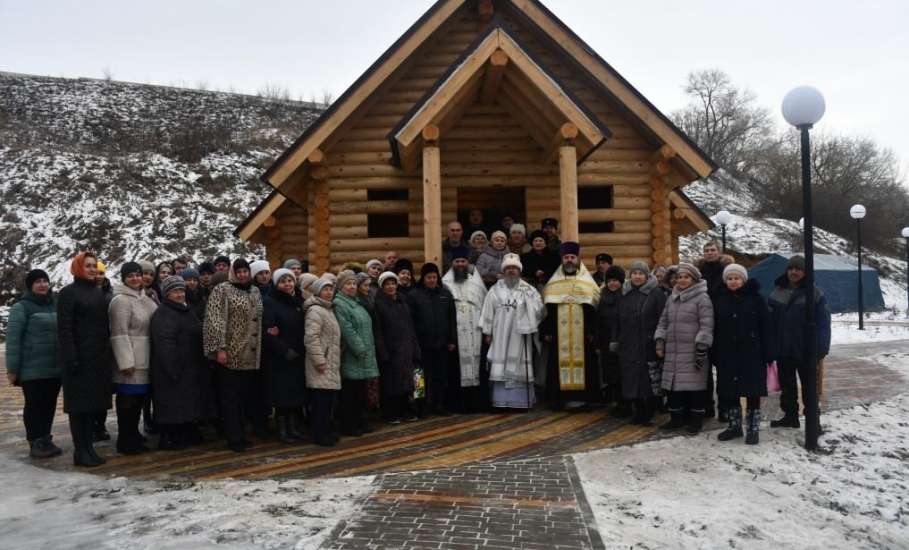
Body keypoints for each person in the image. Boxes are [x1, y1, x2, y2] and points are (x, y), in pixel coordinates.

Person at [58, 252, 112, 467]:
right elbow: (64, 328)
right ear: (78, 268)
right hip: (78, 358)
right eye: (87, 266)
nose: (91, 269)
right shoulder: (68, 293)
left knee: (92, 406)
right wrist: (70, 356)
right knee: (79, 407)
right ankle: (80, 451)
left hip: (97, 357)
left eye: (93, 266)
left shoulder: (97, 292)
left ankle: (89, 448)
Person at [203, 258, 264, 452]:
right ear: (233, 272)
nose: (243, 274)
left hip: (250, 355)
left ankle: (242, 433)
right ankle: (233, 437)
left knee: (243, 398)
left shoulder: (255, 291)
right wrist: (220, 348)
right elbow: (214, 320)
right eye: (239, 271)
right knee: (230, 398)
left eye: (245, 271)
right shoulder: (223, 290)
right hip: (230, 353)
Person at [767, 255, 831, 430]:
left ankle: (813, 422)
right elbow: (769, 322)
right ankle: (790, 416)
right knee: (787, 387)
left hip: (806, 350)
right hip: (783, 349)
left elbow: (824, 323)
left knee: (810, 388)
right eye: (791, 268)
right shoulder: (777, 292)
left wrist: (822, 348)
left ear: (805, 271)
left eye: (798, 269)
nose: (793, 272)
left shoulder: (815, 293)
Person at [713, 264, 774, 444]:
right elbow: (714, 328)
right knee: (730, 393)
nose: (733, 281)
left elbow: (766, 326)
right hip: (727, 354)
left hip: (752, 354)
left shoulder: (756, 299)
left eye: (736, 278)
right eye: (729, 278)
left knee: (752, 393)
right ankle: (734, 426)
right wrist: (714, 352)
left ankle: (753, 429)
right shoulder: (719, 299)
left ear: (743, 279)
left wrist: (769, 352)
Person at [6, 269, 62, 459]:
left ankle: (46, 437)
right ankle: (35, 441)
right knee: (34, 405)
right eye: (38, 281)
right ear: (30, 285)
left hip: (54, 367)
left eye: (45, 281)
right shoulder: (21, 307)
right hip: (32, 368)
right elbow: (13, 341)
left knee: (49, 404)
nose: (42, 285)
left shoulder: (55, 304)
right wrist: (12, 369)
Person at [655, 263, 715, 434]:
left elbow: (706, 325)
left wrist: (701, 347)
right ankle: (676, 419)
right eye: (680, 277)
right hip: (673, 351)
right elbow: (663, 322)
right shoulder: (672, 297)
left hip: (693, 351)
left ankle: (695, 421)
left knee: (693, 388)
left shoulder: (702, 298)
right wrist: (660, 341)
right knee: (674, 388)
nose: (682, 280)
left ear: (694, 279)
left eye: (686, 277)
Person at [480, 254, 545, 409]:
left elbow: (540, 311)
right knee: (500, 365)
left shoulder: (529, 290)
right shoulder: (495, 289)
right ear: (503, 270)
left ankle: (521, 402)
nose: (511, 271)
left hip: (520, 334)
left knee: (520, 366)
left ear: (519, 270)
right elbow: (488, 311)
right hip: (500, 334)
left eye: (514, 268)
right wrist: (488, 332)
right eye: (508, 268)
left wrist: (528, 306)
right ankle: (501, 402)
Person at [540, 242, 601, 409]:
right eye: (566, 257)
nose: (569, 260)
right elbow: (547, 311)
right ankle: (558, 400)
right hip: (559, 335)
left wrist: (591, 332)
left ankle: (585, 399)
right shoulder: (553, 285)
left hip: (583, 336)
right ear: (562, 260)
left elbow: (594, 309)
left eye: (572, 257)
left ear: (578, 259)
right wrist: (546, 330)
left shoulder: (588, 284)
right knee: (556, 365)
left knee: (586, 365)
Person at [109, 261, 158, 455]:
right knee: (127, 403)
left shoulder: (147, 299)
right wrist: (125, 362)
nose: (135, 278)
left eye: (137, 274)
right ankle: (125, 440)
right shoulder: (120, 300)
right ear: (124, 279)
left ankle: (134, 435)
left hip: (146, 358)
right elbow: (118, 333)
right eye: (130, 276)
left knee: (138, 402)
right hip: (131, 361)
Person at [150, 276, 205, 450]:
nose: (180, 294)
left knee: (185, 404)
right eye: (175, 291)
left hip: (188, 366)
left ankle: (185, 433)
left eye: (181, 290)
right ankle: (168, 438)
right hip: (172, 368)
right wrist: (173, 367)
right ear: (167, 294)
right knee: (171, 406)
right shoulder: (163, 314)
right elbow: (165, 343)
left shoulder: (185, 310)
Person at [613, 261, 667, 424]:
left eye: (641, 273)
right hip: (628, 345)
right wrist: (615, 340)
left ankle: (648, 413)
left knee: (648, 380)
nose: (637, 277)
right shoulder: (624, 293)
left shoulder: (655, 293)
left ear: (647, 275)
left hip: (648, 344)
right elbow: (617, 320)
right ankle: (637, 412)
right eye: (634, 273)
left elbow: (663, 318)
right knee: (631, 379)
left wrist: (660, 341)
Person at [262, 268, 307, 444]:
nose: (287, 284)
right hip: (281, 357)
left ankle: (294, 428)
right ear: (276, 283)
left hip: (298, 354)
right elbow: (268, 330)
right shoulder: (270, 301)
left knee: (295, 395)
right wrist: (284, 350)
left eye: (290, 280)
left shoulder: (296, 300)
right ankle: (283, 431)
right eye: (283, 281)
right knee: (282, 397)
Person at [334, 270, 380, 436]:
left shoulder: (357, 303)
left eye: (354, 283)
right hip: (352, 355)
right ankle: (349, 425)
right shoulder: (339, 304)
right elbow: (347, 330)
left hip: (364, 354)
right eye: (348, 283)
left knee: (360, 391)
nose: (352, 286)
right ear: (341, 286)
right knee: (350, 393)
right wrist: (360, 348)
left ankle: (360, 421)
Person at [407, 263, 457, 416]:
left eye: (434, 277)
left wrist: (451, 340)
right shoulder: (414, 295)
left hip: (441, 344)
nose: (432, 280)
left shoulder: (445, 295)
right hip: (422, 345)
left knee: (440, 376)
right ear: (423, 278)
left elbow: (451, 319)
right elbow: (411, 321)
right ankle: (421, 406)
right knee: (419, 377)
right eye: (429, 277)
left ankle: (438, 404)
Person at [442, 249, 488, 412]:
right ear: (452, 264)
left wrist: (486, 331)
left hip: (475, 332)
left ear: (467, 263)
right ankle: (458, 404)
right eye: (457, 262)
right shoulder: (445, 284)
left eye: (463, 261)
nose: (460, 264)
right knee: (456, 369)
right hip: (456, 335)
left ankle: (477, 404)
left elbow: (485, 307)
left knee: (477, 366)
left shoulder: (477, 283)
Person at [373, 272, 421, 423]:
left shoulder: (402, 302)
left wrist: (415, 348)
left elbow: (411, 327)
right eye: (387, 284)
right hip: (390, 350)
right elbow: (378, 331)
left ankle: (406, 411)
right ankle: (390, 414)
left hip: (407, 348)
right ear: (382, 287)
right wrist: (383, 353)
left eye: (393, 283)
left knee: (408, 383)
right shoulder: (379, 304)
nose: (391, 286)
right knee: (391, 384)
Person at [696, 240, 734, 420]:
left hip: (722, 326)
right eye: (707, 250)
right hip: (702, 325)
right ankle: (706, 406)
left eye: (712, 250)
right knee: (704, 370)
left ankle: (724, 407)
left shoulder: (726, 271)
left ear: (719, 252)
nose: (710, 253)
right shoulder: (699, 272)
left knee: (724, 370)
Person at [304, 278, 342, 446]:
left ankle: (326, 431)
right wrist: (319, 360)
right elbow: (311, 338)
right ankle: (319, 435)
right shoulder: (315, 311)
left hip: (331, 361)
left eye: (330, 289)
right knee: (321, 403)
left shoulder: (328, 309)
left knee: (328, 402)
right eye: (325, 289)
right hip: (321, 363)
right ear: (318, 292)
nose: (329, 292)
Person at [595, 266, 625, 415]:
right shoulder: (603, 298)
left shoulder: (626, 297)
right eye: (610, 281)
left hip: (622, 342)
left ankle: (624, 404)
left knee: (622, 375)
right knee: (610, 374)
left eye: (616, 281)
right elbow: (598, 321)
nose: (613, 284)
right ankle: (616, 403)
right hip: (606, 342)